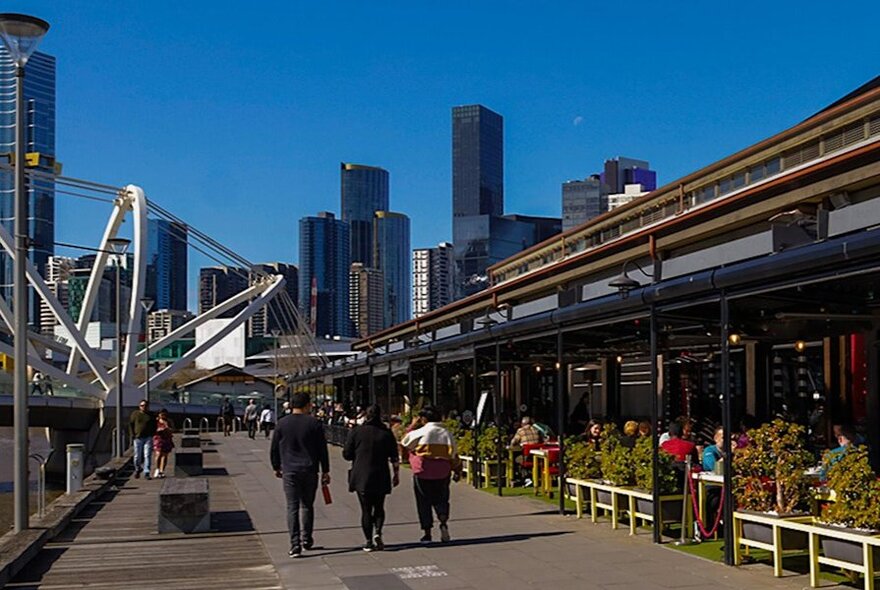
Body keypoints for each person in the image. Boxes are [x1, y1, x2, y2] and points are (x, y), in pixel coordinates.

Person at [270, 392, 330, 558]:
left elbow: (274, 448)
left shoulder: (282, 423)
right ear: (306, 406)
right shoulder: (314, 423)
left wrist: (276, 466)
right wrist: (325, 470)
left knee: (292, 506)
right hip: (310, 469)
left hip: (290, 469)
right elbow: (322, 449)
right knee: (307, 505)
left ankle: (295, 544)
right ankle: (307, 538)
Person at [343, 404, 400, 552]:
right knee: (379, 506)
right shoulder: (386, 433)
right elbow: (394, 456)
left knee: (366, 509)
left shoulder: (356, 432)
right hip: (380, 473)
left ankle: (368, 541)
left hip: (361, 474)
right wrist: (396, 474)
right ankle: (378, 532)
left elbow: (347, 455)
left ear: (366, 415)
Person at [401, 406, 461, 544]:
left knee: (423, 501)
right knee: (442, 498)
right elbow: (453, 454)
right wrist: (457, 470)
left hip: (423, 471)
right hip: (442, 471)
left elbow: (405, 442)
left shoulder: (421, 432)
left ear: (424, 419)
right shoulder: (446, 433)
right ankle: (443, 519)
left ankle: (427, 533)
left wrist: (412, 426)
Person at [129, 399, 156, 479]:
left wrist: (153, 434)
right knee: (137, 456)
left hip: (148, 437)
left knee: (147, 455)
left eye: (145, 405)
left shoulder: (151, 415)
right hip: (138, 437)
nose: (144, 407)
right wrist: (132, 434)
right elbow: (131, 424)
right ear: (139, 406)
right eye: (142, 405)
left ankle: (146, 472)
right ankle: (137, 468)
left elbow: (154, 425)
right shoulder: (135, 414)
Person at [152, 408, 174, 478]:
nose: (163, 416)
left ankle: (162, 471)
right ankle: (157, 469)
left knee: (164, 455)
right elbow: (152, 429)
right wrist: (158, 430)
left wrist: (167, 427)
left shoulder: (169, 421)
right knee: (158, 454)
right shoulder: (156, 421)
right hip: (158, 439)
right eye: (161, 414)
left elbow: (173, 429)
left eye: (164, 414)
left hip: (167, 439)